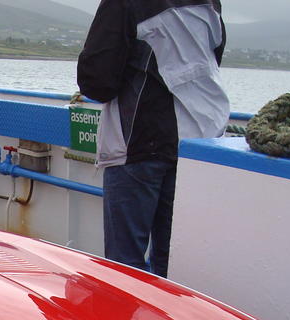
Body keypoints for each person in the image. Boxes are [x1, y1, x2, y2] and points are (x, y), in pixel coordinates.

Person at [77, 1, 229, 278]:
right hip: (199, 140)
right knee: (173, 260)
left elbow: (97, 83)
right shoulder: (211, 3)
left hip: (140, 140)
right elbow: (213, 56)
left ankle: (129, 306)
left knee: (125, 266)